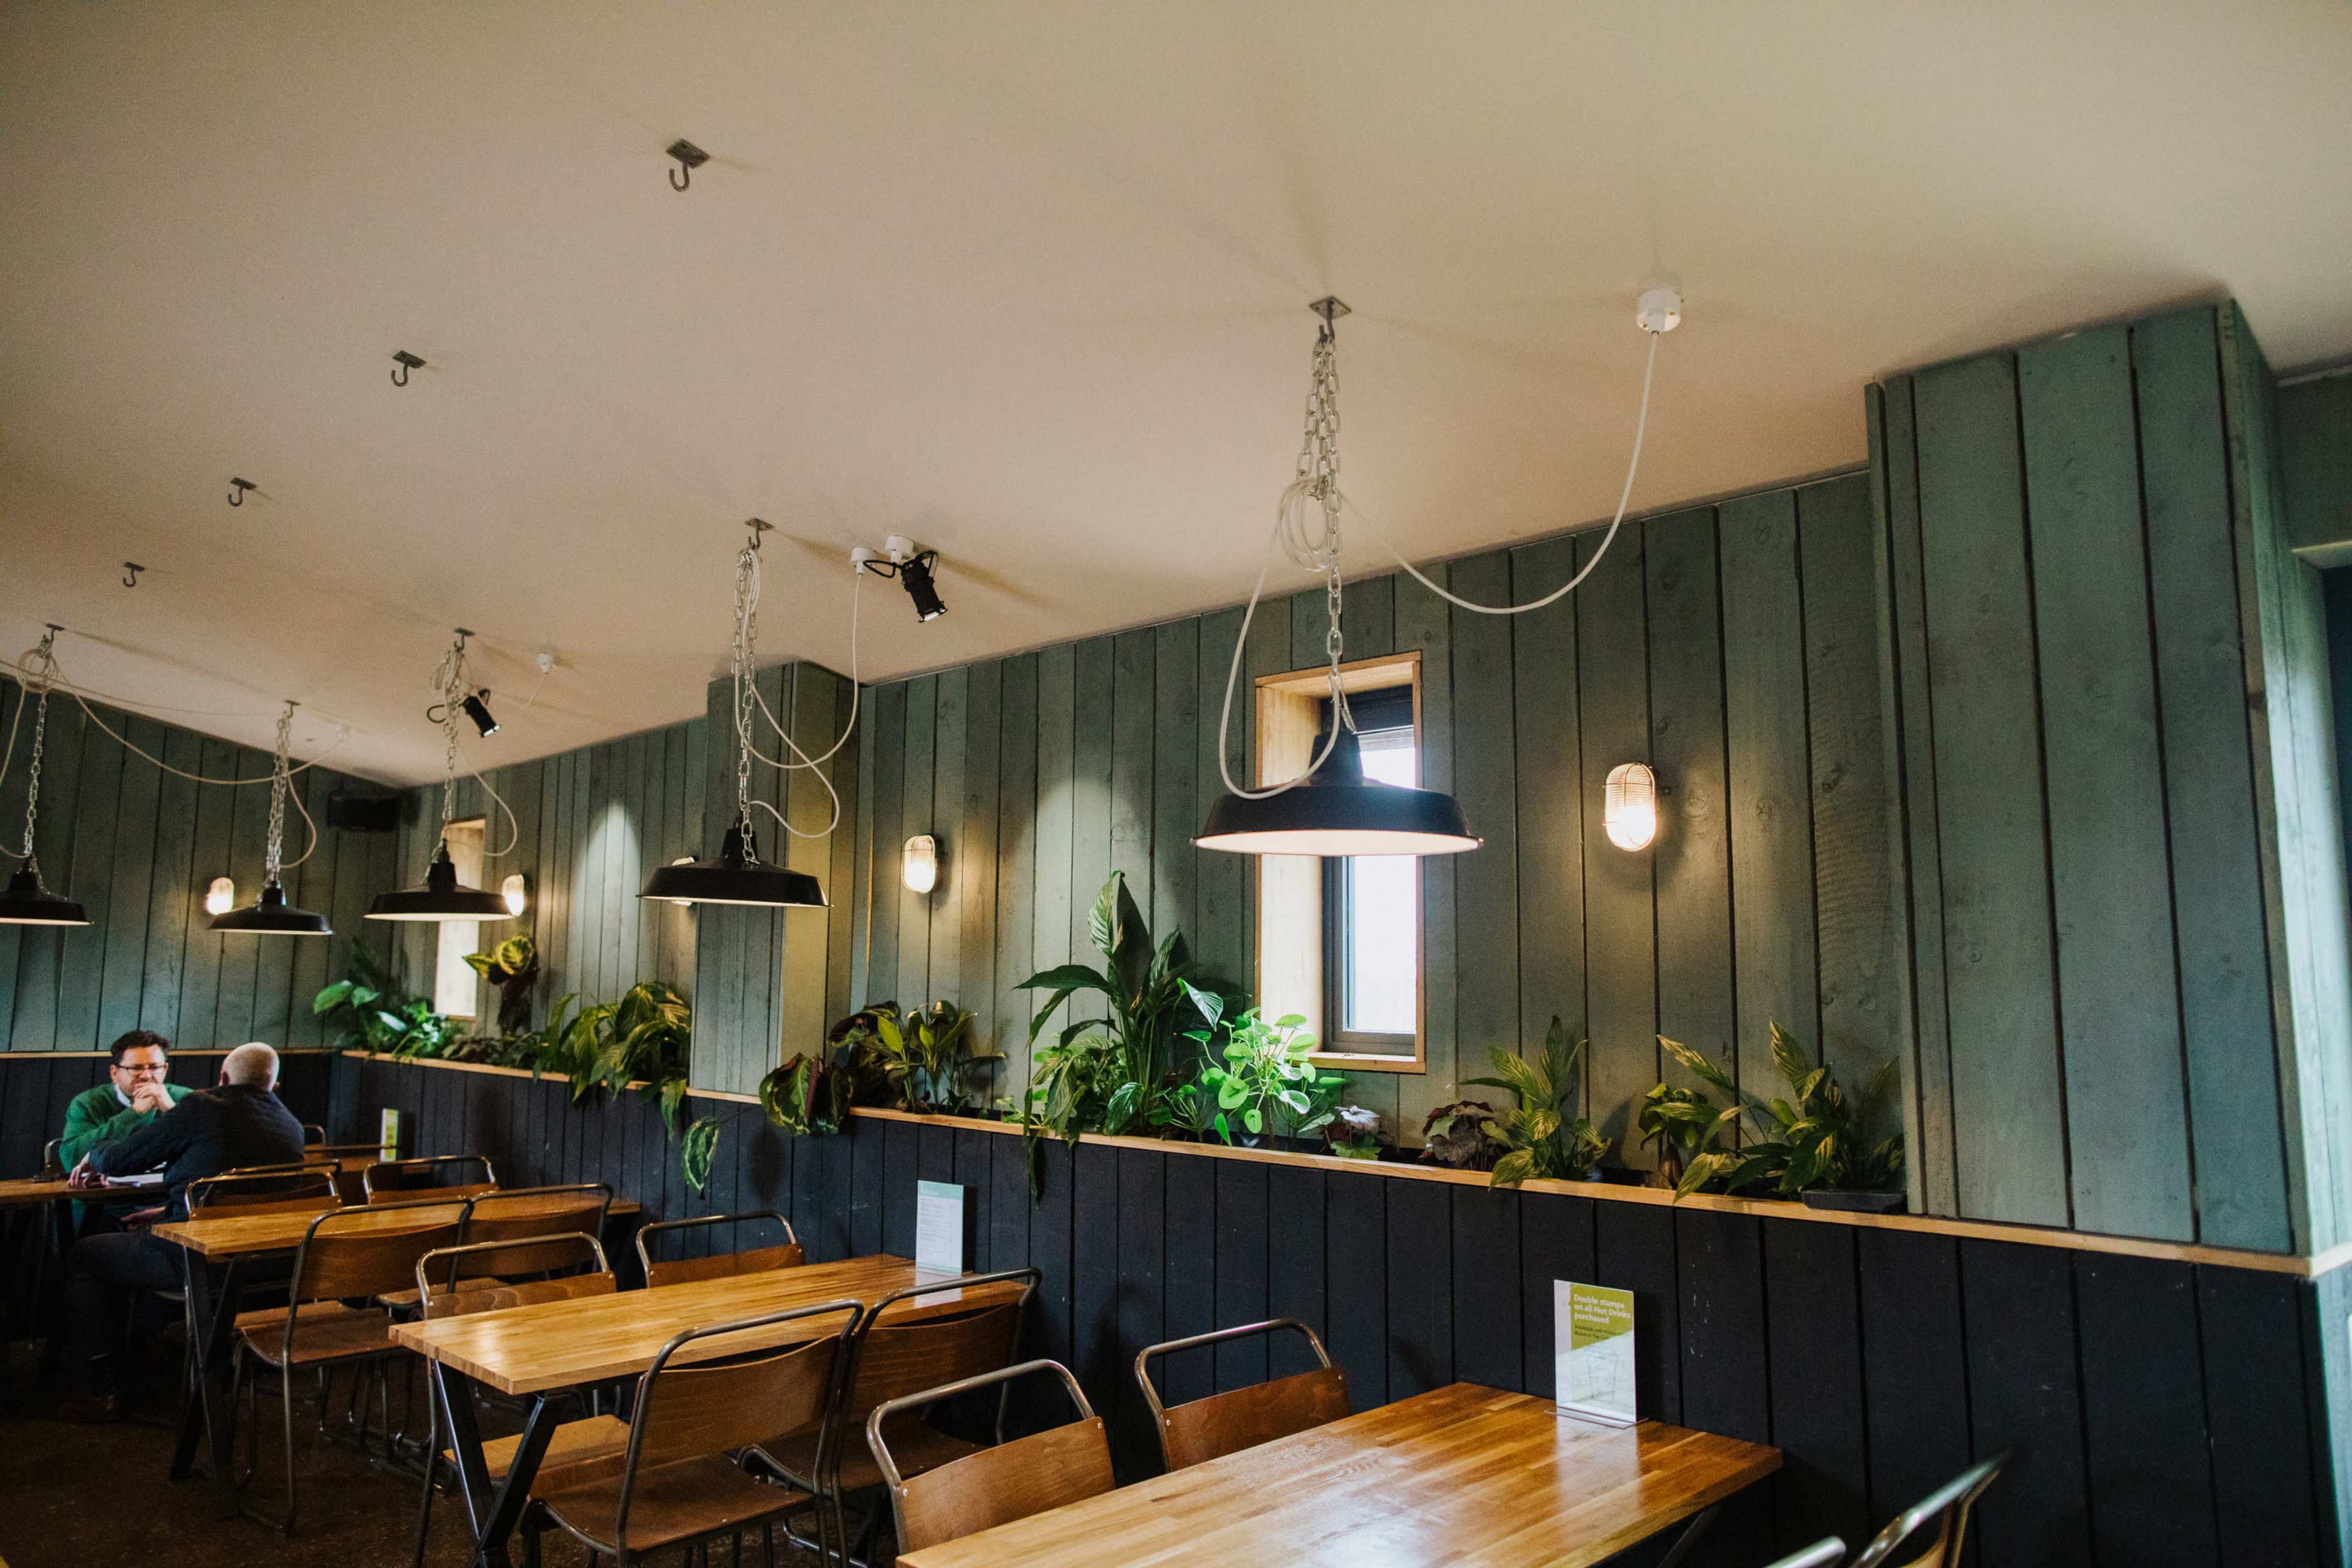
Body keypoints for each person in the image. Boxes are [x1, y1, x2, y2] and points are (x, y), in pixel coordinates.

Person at [55, 1041, 307, 1422]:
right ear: (274, 1084)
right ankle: (150, 1360)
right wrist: (166, 1211)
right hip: (261, 1266)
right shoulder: (292, 1127)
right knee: (137, 1244)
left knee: (85, 1255)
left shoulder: (203, 1105)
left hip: (195, 1260)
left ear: (222, 1078)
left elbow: (124, 1159)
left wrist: (98, 1151)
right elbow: (231, 1191)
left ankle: (104, 1387)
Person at [58, 1030, 194, 1231]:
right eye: (136, 1068)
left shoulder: (186, 1099)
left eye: (155, 1067)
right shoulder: (88, 1103)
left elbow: (207, 1151)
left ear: (165, 1069)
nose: (147, 1076)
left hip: (169, 1203)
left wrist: (171, 1111)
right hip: (106, 1205)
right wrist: (135, 1113)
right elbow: (72, 1157)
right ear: (115, 1073)